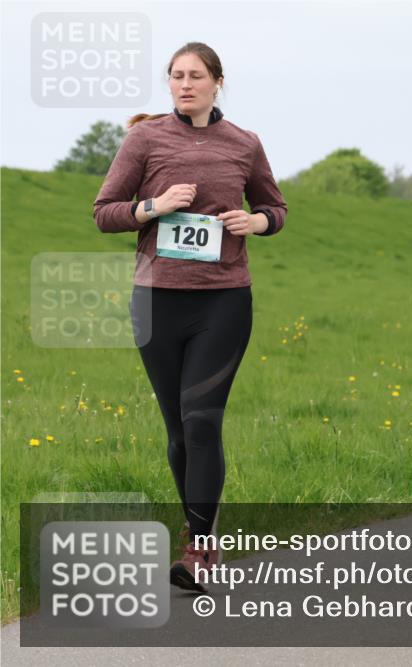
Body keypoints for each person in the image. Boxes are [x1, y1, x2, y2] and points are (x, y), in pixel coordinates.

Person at [93, 42, 287, 591]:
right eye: (176, 76)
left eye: (195, 76)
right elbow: (104, 212)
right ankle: (201, 533)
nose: (184, 84)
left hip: (223, 300)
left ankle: (199, 550)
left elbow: (275, 208)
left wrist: (256, 223)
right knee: (178, 430)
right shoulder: (145, 139)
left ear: (217, 82)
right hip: (156, 301)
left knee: (202, 421)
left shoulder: (244, 143)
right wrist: (154, 207)